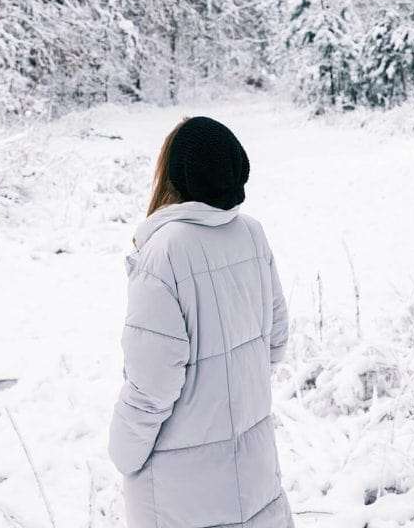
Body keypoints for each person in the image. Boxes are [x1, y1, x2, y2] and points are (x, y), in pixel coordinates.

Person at [108, 115, 294, 528]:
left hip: (180, 493)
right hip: (253, 471)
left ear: (173, 175)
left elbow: (152, 384)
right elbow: (276, 341)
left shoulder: (164, 253)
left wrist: (123, 452)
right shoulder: (251, 233)